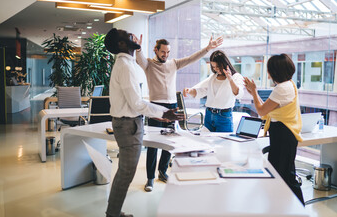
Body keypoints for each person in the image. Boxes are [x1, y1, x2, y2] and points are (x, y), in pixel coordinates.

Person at [104, 28, 183, 217]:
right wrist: (165, 113)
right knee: (125, 174)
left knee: (125, 173)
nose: (132, 34)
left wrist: (162, 114)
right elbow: (137, 103)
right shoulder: (125, 66)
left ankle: (113, 212)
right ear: (122, 44)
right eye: (127, 34)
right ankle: (112, 214)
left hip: (129, 123)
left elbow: (136, 102)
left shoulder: (128, 64)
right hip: (128, 125)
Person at [132, 35, 223, 192]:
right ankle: (150, 178)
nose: (165, 55)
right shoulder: (149, 64)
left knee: (169, 142)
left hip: (172, 106)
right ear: (156, 50)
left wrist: (208, 48)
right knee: (153, 144)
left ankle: (162, 171)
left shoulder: (173, 64)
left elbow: (192, 58)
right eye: (163, 52)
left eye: (168, 52)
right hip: (155, 106)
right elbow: (139, 59)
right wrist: (138, 48)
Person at [244, 53, 305, 205]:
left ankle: (299, 209)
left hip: (283, 134)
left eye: (269, 70)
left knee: (285, 176)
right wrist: (253, 92)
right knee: (283, 173)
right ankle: (285, 208)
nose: (268, 73)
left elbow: (261, 111)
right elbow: (266, 108)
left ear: (274, 72)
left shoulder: (281, 89)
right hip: (283, 134)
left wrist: (254, 91)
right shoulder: (289, 84)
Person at [183, 50, 244, 132]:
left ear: (224, 63)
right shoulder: (213, 77)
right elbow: (201, 91)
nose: (216, 69)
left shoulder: (236, 77)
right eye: (213, 67)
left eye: (218, 66)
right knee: (206, 142)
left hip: (224, 117)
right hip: (209, 115)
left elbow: (238, 93)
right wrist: (189, 91)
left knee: (224, 143)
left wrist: (230, 78)